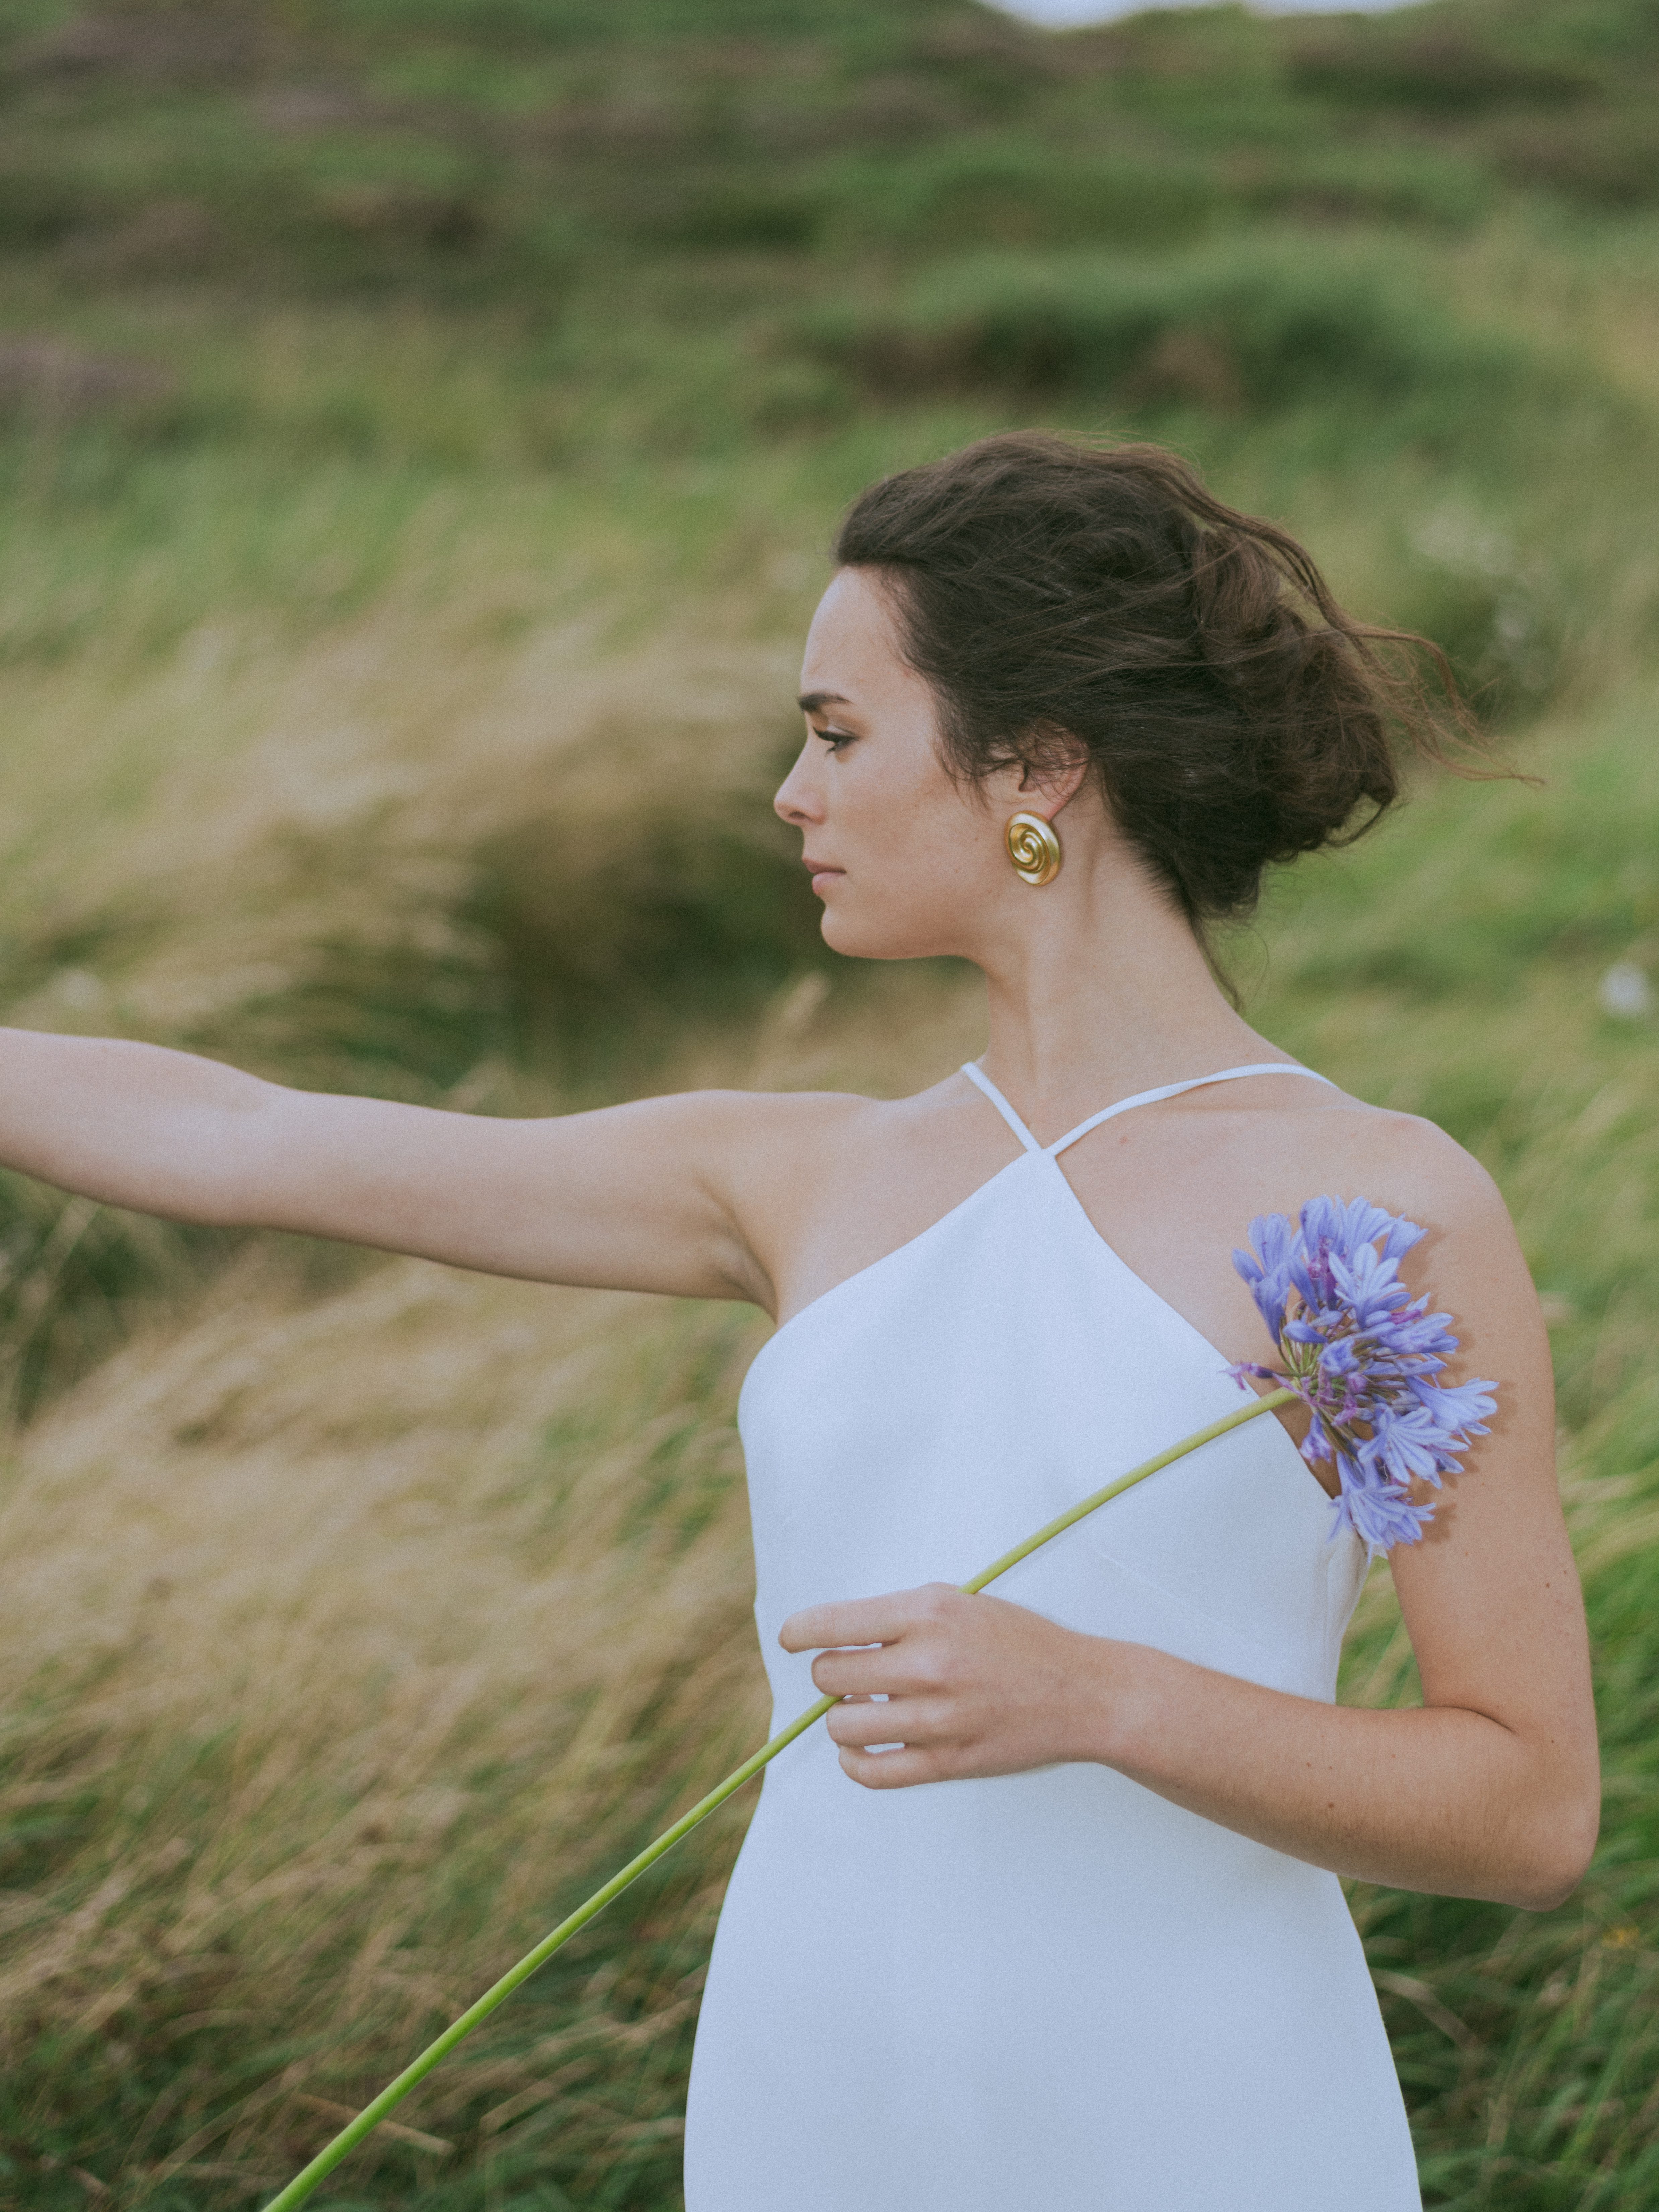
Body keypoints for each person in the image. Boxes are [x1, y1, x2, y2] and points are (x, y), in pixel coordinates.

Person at [2, 434, 1597, 2210]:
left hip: (1188, 2108)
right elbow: (245, 1136)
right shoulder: (795, 1175)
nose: (790, 791)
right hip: (808, 2096)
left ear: (1036, 770)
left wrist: (1099, 1693)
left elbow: (1524, 1807)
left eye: (837, 733)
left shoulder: (1361, 1222)